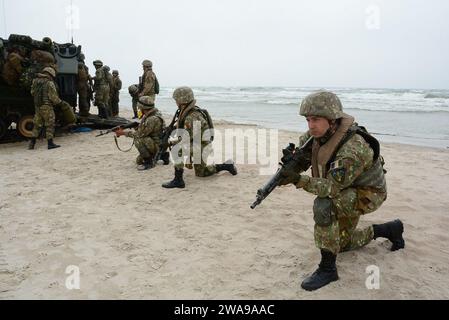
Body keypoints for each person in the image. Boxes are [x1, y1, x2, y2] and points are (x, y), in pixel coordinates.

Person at [279, 90, 405, 291]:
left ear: (333, 119)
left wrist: (297, 180)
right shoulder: (316, 135)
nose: (311, 125)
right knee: (341, 245)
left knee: (324, 204)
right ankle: (389, 230)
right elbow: (305, 156)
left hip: (368, 194)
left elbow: (330, 188)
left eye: (316, 120)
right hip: (347, 188)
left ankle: (328, 269)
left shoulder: (353, 149)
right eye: (308, 120)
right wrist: (291, 165)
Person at [162, 87, 238, 189]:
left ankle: (178, 180)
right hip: (199, 144)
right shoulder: (188, 112)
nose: (175, 102)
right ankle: (227, 166)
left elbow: (186, 138)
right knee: (202, 173)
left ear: (182, 100)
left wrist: (171, 142)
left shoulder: (192, 117)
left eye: (176, 100)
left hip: (201, 146)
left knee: (177, 150)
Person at [115, 96, 165, 171]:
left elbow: (139, 134)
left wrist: (123, 133)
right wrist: (136, 127)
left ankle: (149, 163)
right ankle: (162, 156)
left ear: (143, 107)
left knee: (138, 139)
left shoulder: (152, 119)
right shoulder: (153, 113)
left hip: (158, 145)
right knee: (139, 161)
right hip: (158, 143)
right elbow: (148, 130)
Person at [28, 66, 69, 150]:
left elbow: (32, 93)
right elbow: (53, 98)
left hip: (37, 106)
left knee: (37, 125)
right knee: (50, 124)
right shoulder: (49, 83)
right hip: (47, 106)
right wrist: (60, 103)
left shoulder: (35, 81)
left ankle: (32, 144)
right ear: (50, 74)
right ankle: (50, 144)